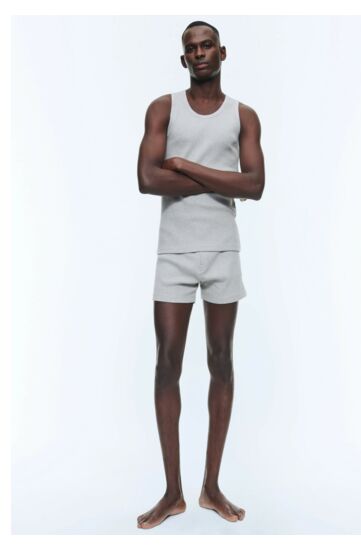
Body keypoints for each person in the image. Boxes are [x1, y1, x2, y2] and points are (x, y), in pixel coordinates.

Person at [136, 20, 265, 529]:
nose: (199, 53)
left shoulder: (244, 116)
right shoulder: (163, 108)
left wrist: (185, 165)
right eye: (191, 48)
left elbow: (254, 186)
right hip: (174, 252)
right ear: (183, 59)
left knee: (221, 362)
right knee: (166, 364)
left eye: (207, 44)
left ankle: (211, 487)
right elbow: (147, 178)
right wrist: (221, 181)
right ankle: (173, 493)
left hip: (222, 252)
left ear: (222, 52)